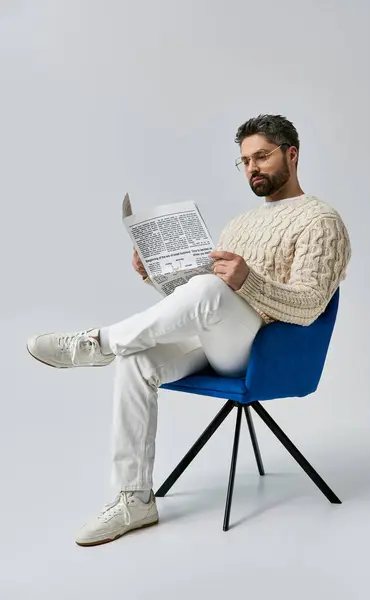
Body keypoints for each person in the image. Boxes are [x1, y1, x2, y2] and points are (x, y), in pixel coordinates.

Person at [27, 114, 351, 546]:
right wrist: (153, 273)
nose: (252, 168)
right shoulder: (239, 224)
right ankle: (134, 499)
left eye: (262, 157)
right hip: (217, 334)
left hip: (265, 349)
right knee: (137, 357)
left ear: (291, 154)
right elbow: (198, 299)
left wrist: (246, 281)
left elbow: (311, 305)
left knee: (208, 291)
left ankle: (96, 343)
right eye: (244, 161)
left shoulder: (321, 220)